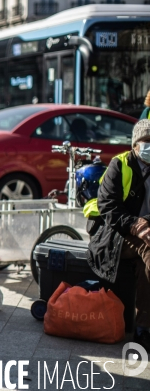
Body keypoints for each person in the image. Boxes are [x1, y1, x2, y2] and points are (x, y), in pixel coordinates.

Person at [86, 119, 150, 353]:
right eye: (146, 142)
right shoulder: (119, 164)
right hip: (116, 234)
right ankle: (144, 328)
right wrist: (136, 225)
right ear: (135, 145)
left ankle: (143, 328)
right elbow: (108, 207)